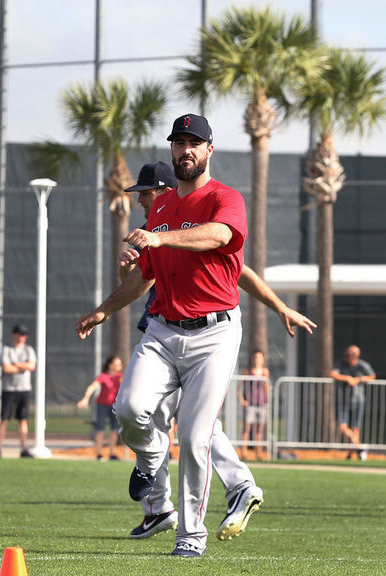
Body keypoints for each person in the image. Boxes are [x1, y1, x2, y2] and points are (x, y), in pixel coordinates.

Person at [77, 113, 253, 557]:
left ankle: (191, 537)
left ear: (210, 150)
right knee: (130, 408)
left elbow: (218, 235)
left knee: (195, 437)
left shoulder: (223, 198)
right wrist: (103, 310)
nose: (186, 149)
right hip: (163, 329)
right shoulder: (159, 206)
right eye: (179, 142)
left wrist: (162, 239)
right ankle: (152, 460)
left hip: (214, 332)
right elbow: (143, 279)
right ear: (172, 149)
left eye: (195, 142)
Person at [117, 161, 316, 542]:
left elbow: (240, 271)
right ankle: (227, 488)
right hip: (163, 329)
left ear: (163, 190)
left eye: (145, 192)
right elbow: (142, 278)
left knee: (191, 427)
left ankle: (169, 509)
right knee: (172, 419)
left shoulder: (187, 227)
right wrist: (130, 266)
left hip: (201, 332)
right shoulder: (157, 228)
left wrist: (280, 307)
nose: (141, 200)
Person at [0, 324, 36, 458]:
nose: (23, 337)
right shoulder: (6, 349)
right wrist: (23, 367)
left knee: (22, 419)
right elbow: (6, 368)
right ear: (15, 334)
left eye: (25, 335)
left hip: (24, 389)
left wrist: (16, 365)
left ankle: (24, 448)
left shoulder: (28, 350)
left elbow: (32, 365)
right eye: (21, 334)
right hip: (9, 389)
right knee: (4, 419)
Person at [330, 345, 375, 460]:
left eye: (349, 356)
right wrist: (347, 378)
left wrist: (359, 380)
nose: (346, 358)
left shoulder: (362, 365)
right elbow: (333, 374)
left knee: (356, 428)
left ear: (354, 357)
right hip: (343, 400)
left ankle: (351, 454)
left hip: (358, 400)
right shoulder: (341, 364)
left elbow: (372, 376)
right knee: (342, 427)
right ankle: (359, 447)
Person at [76, 356, 123, 461]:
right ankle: (99, 454)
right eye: (117, 364)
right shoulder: (103, 376)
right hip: (102, 405)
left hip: (115, 406)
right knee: (100, 429)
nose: (119, 366)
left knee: (114, 429)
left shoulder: (121, 377)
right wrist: (85, 398)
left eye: (120, 364)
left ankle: (111, 453)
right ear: (110, 365)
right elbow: (92, 387)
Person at [239, 349, 270, 461]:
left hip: (261, 403)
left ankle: (259, 454)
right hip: (250, 403)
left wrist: (267, 401)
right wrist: (242, 400)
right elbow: (239, 386)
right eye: (256, 357)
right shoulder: (248, 371)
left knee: (259, 430)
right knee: (246, 429)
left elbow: (266, 386)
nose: (257, 360)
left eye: (259, 357)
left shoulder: (265, 371)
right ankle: (244, 452)